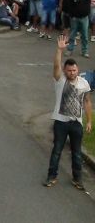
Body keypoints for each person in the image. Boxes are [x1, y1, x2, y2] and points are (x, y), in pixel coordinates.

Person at [45, 35, 92, 189]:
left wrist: (89, 121)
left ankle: (77, 179)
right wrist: (59, 50)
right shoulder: (60, 80)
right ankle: (51, 176)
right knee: (57, 150)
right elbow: (56, 67)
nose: (72, 73)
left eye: (74, 70)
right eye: (69, 70)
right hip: (61, 122)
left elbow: (87, 101)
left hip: (76, 123)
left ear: (78, 70)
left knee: (76, 153)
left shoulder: (84, 83)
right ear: (65, 71)